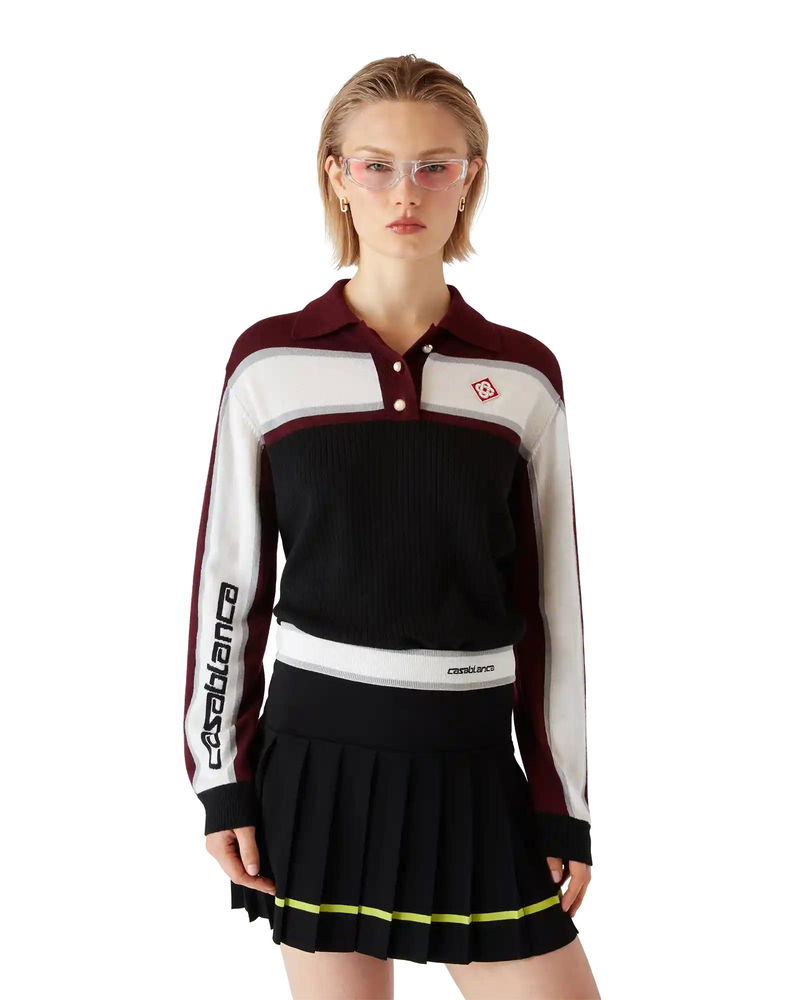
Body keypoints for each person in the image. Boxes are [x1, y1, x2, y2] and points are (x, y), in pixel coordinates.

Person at [183, 54, 601, 1000]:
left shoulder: (522, 377)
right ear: (337, 175)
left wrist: (561, 800)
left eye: (432, 166)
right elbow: (229, 585)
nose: (404, 192)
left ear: (470, 177)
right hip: (314, 766)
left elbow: (552, 615)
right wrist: (220, 777)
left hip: (471, 762)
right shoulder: (269, 365)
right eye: (376, 166)